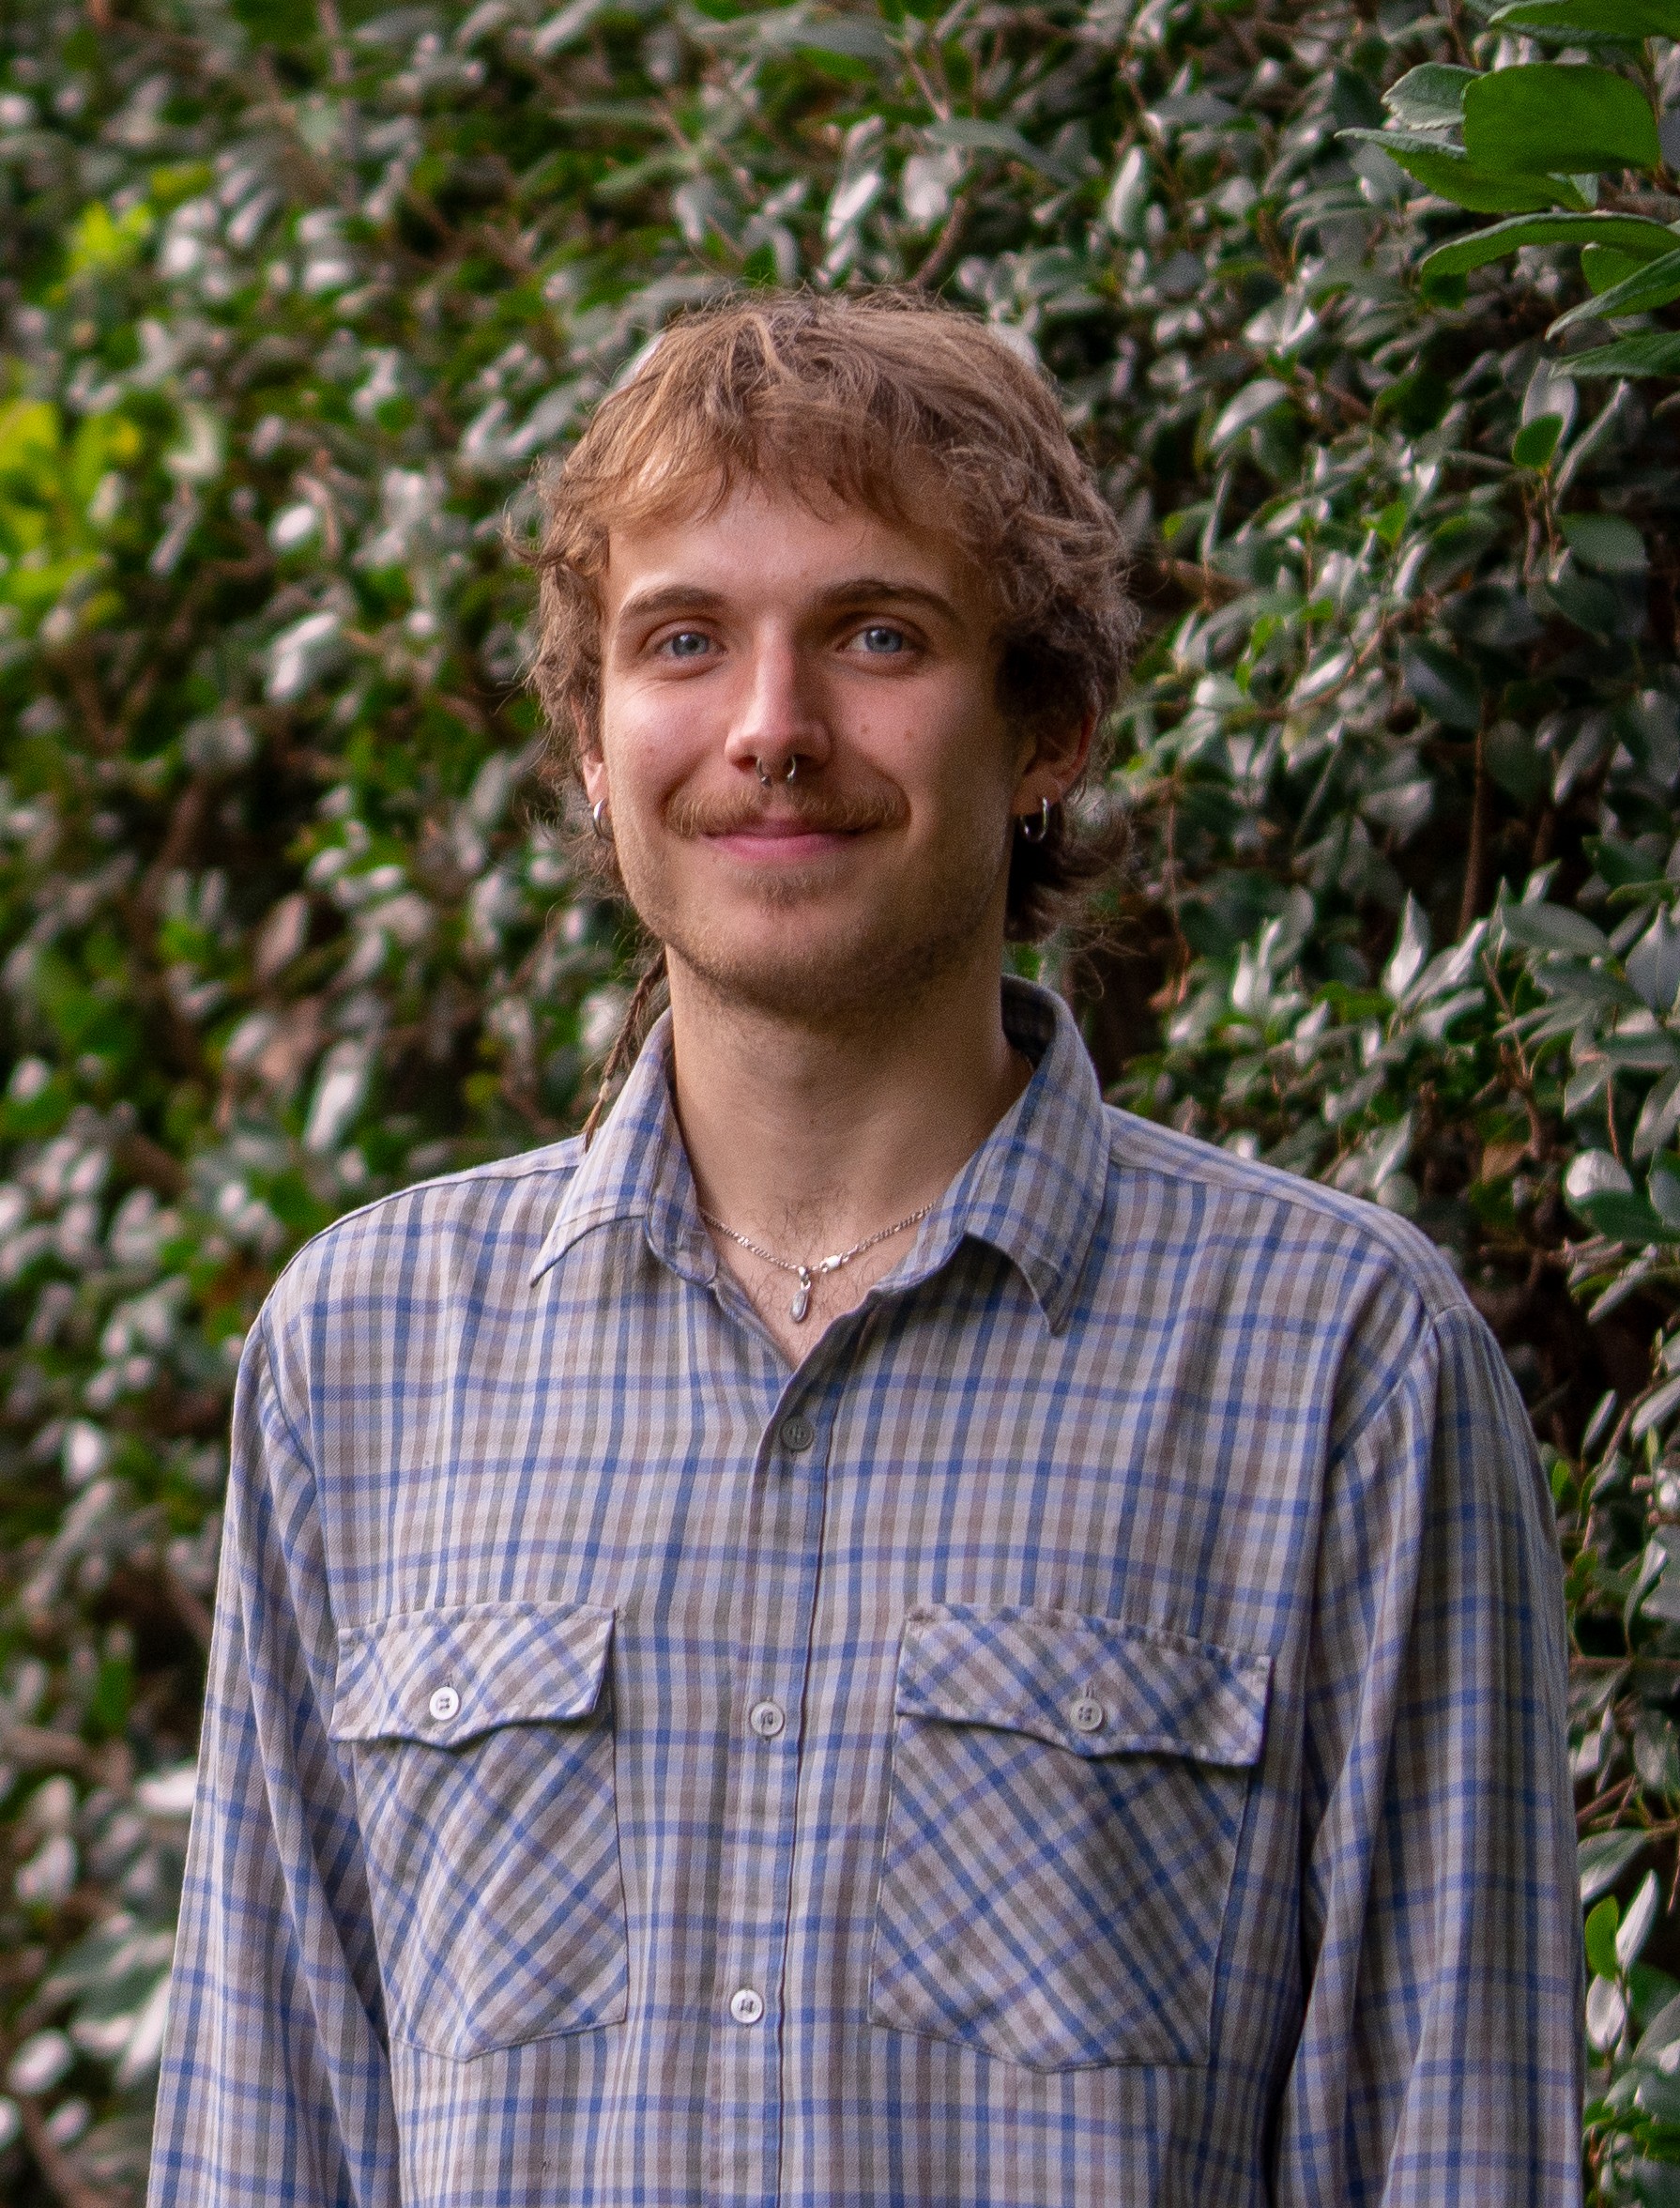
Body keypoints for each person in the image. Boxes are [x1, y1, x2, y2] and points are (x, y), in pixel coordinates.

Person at [148, 290, 1581, 2208]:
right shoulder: (366, 1354)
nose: (771, 730)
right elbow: (268, 2136)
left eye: (876, 636)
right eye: (682, 643)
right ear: (589, 740)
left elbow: (1456, 2151)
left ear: (1049, 727)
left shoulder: (1339, 1365)